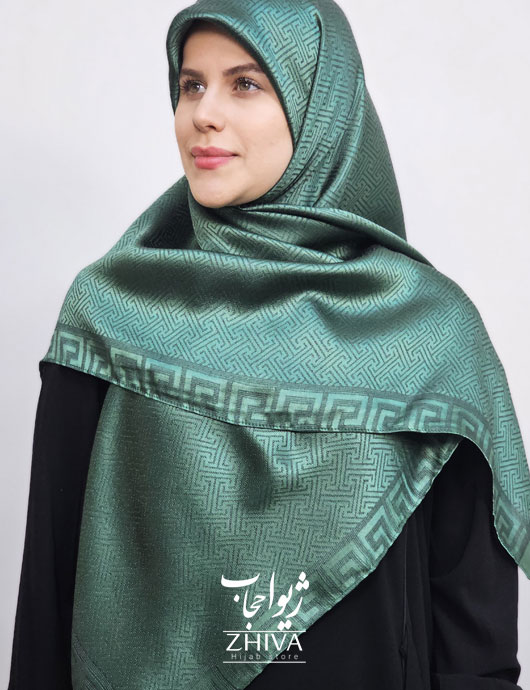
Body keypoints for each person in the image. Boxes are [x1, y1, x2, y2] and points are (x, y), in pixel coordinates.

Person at [7, 2, 529, 689]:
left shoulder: (430, 336)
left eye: (245, 84)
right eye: (191, 85)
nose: (203, 114)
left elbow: (475, 647)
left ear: (321, 108)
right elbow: (48, 608)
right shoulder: (114, 314)